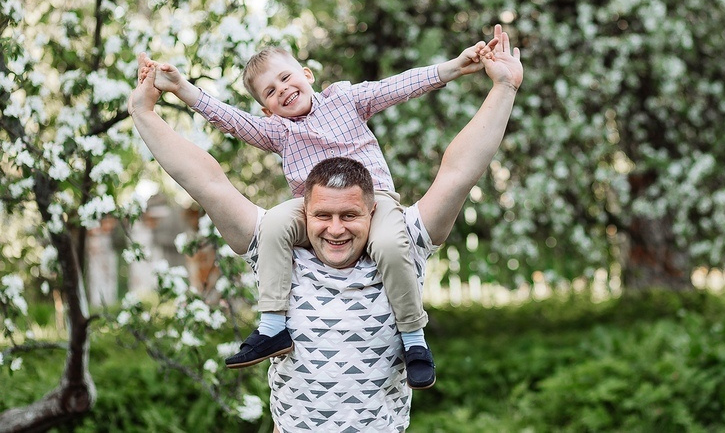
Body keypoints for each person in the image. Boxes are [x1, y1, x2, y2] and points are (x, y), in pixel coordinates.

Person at [129, 25, 522, 430]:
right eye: (324, 217)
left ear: (308, 75)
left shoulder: (403, 235)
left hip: (384, 216)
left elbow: (455, 167)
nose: (335, 230)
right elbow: (207, 178)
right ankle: (271, 327)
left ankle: (414, 339)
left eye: (349, 216)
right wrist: (155, 105)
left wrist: (496, 84)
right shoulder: (277, 244)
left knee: (387, 242)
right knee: (278, 221)